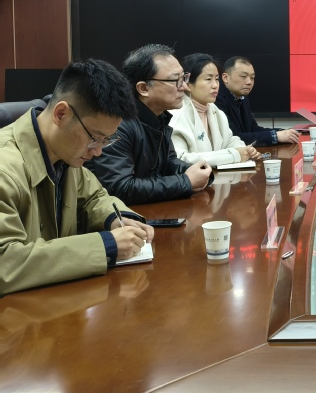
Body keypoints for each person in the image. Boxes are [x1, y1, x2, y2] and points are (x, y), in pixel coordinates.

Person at [0, 60, 155, 296]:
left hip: (52, 301)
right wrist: (106, 245)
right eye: (95, 138)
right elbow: (5, 262)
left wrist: (117, 219)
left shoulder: (66, 154)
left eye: (106, 140)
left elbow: (94, 198)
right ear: (61, 114)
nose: (98, 151)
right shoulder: (5, 168)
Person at [87, 44, 213, 204]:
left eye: (184, 78)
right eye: (175, 80)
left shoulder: (159, 117)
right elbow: (120, 188)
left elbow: (168, 162)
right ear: (143, 88)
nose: (185, 87)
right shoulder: (117, 124)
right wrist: (186, 181)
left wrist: (192, 170)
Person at [169, 53, 260, 167]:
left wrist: (244, 150)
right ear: (188, 84)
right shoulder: (177, 115)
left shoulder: (215, 110)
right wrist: (234, 155)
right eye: (208, 79)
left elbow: (230, 139)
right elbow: (180, 159)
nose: (215, 85)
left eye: (216, 79)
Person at [216, 56, 299, 146]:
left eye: (252, 77)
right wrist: (275, 136)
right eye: (243, 76)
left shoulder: (242, 96)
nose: (249, 82)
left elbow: (253, 129)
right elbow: (234, 137)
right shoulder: (217, 99)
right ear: (225, 77)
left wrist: (282, 132)